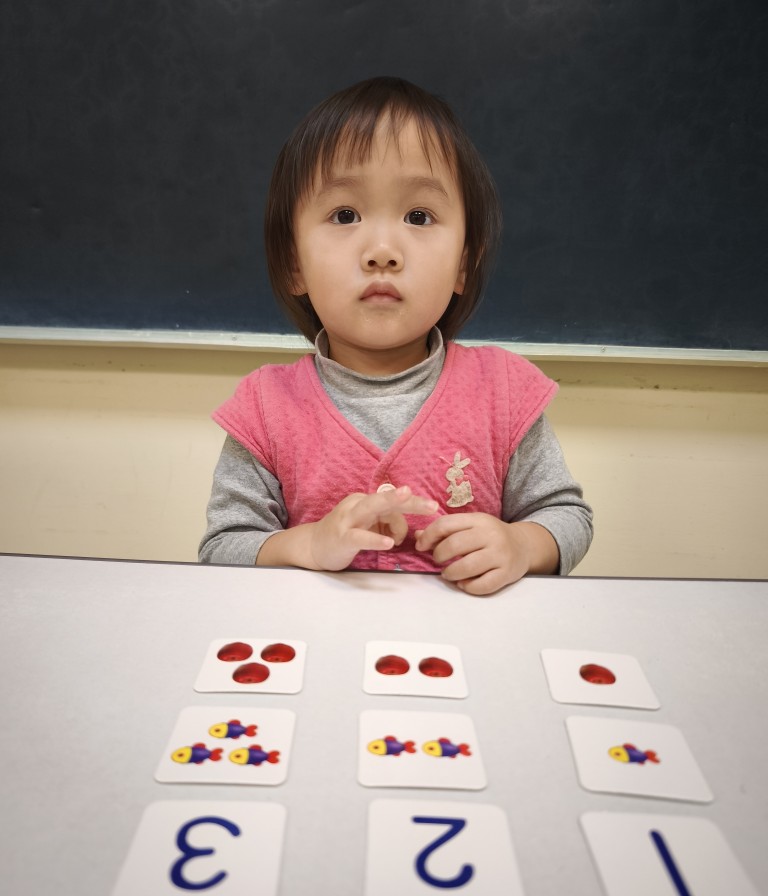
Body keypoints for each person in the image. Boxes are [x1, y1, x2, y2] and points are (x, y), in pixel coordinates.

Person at [199, 76, 593, 595]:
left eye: (418, 216)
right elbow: (224, 546)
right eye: (345, 215)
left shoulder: (503, 392)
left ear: (463, 265)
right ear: (294, 263)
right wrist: (307, 545)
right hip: (319, 642)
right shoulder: (265, 408)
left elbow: (568, 516)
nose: (382, 251)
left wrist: (521, 545)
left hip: (467, 641)